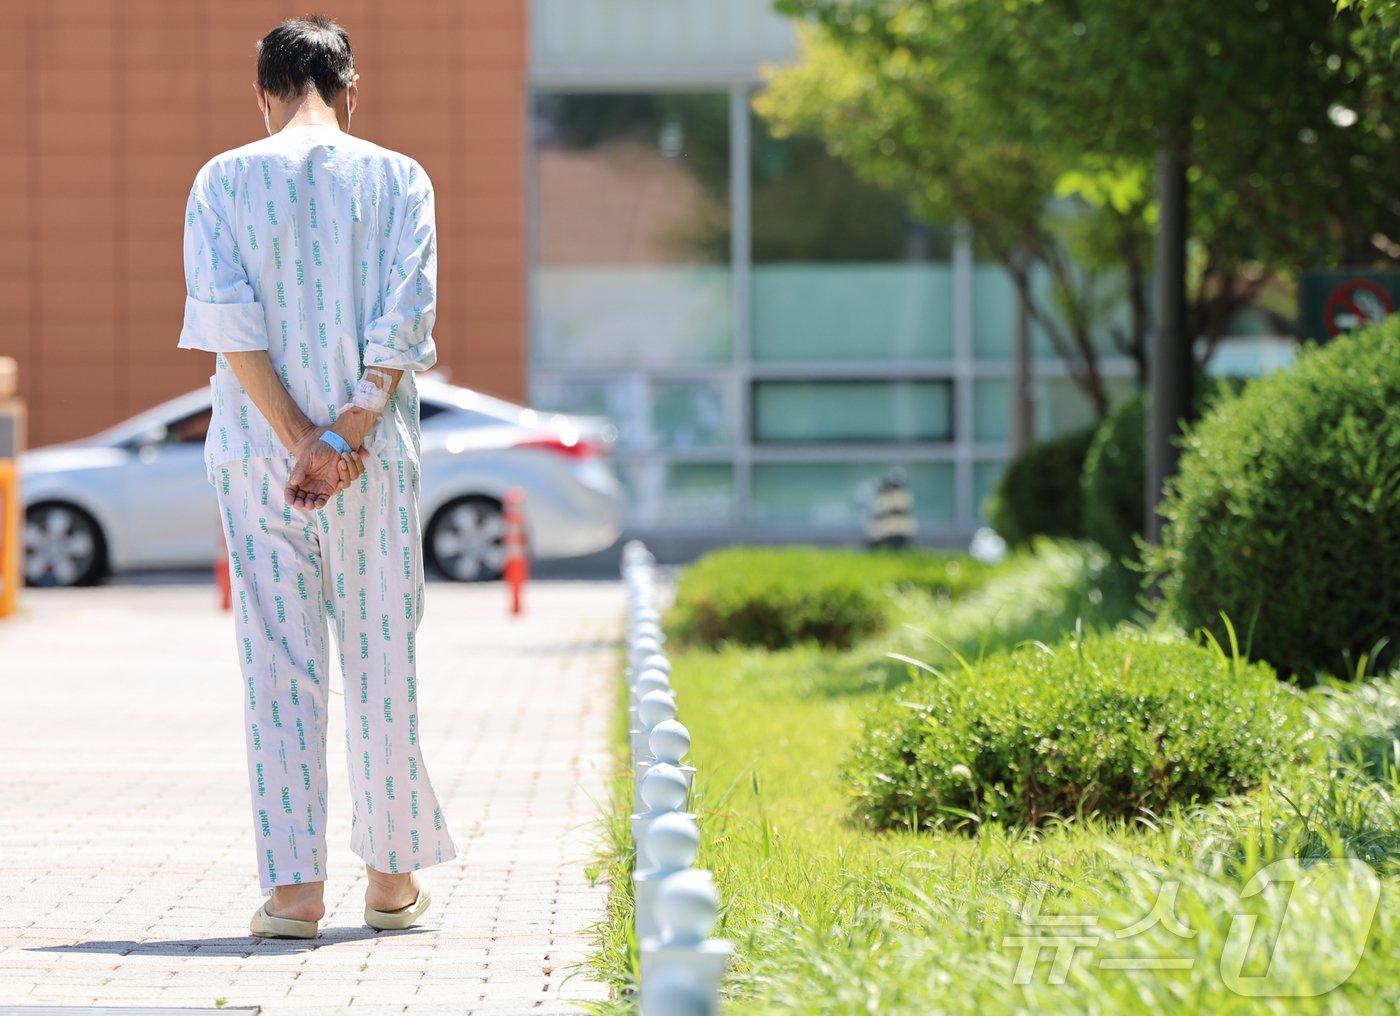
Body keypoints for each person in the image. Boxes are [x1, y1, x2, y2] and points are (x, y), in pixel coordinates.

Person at [178, 15, 457, 939]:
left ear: (261, 94)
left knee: (278, 665)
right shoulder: (399, 177)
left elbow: (230, 324)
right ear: (351, 88)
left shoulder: (223, 179)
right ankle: (389, 880)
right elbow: (404, 318)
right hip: (371, 464)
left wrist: (299, 437)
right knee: (383, 656)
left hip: (260, 459)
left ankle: (295, 892)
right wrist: (346, 433)